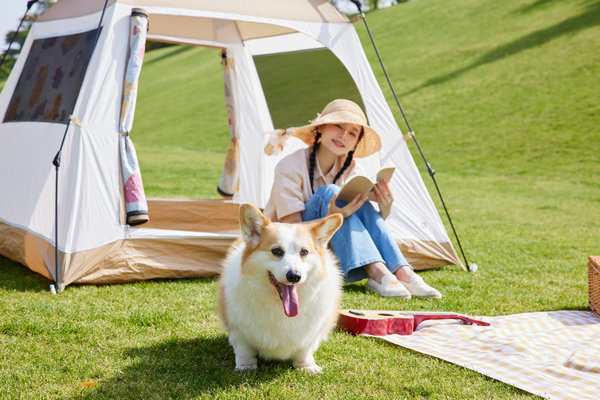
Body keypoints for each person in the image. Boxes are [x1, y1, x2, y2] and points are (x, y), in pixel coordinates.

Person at [263, 99, 441, 299]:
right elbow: (290, 229)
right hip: (289, 243)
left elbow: (366, 217)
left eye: (352, 133)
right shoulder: (290, 166)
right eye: (338, 126)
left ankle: (403, 273)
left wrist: (385, 207)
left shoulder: (352, 169)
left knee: (359, 195)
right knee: (331, 192)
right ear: (321, 128)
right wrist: (330, 217)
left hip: (329, 240)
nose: (343, 135)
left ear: (355, 144)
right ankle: (377, 272)